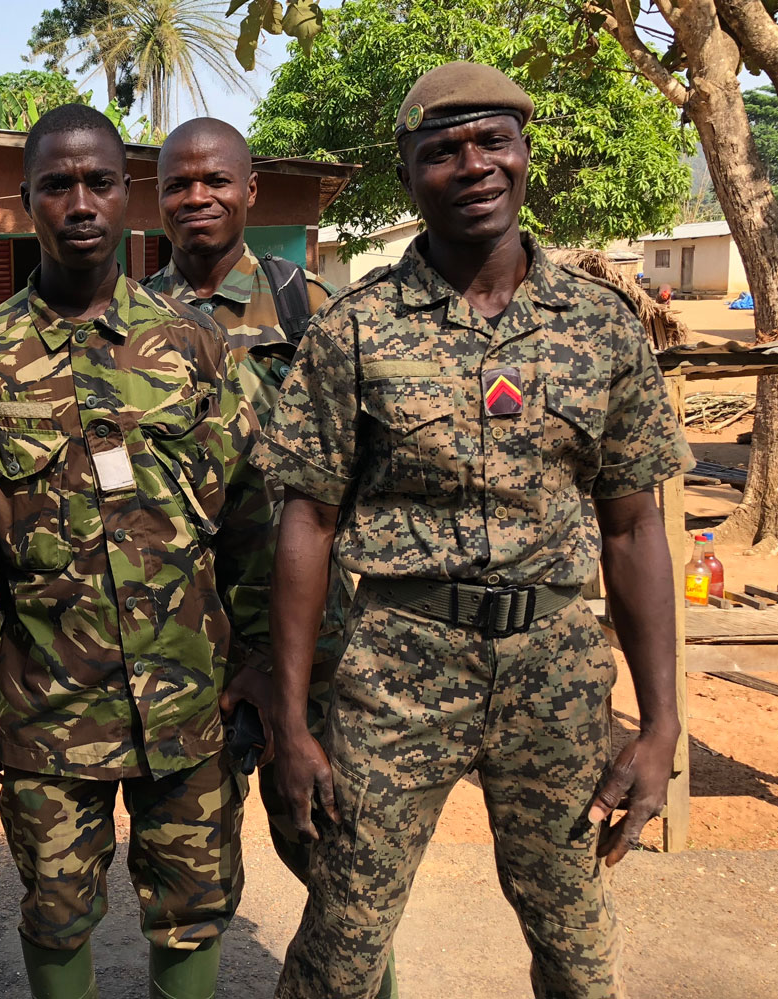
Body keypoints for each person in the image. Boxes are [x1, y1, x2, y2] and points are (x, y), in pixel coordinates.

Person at [255, 62, 691, 999]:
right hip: (399, 665)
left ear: (526, 154)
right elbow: (307, 524)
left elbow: (633, 530)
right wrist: (291, 724)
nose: (474, 165)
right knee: (342, 939)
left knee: (576, 941)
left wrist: (661, 725)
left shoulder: (603, 327)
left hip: (557, 666)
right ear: (409, 176)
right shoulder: (355, 330)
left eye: (493, 140)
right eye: (442, 151)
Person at [0, 103, 272, 999]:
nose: (80, 202)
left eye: (98, 182)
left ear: (127, 196)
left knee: (194, 900)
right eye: (57, 185)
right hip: (46, 702)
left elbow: (250, 518)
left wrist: (257, 661)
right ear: (27, 203)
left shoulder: (197, 343)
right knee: (55, 906)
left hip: (187, 693)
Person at [143, 117, 397, 999]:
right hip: (187, 653)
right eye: (179, 183)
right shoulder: (132, 323)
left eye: (217, 180)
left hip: (311, 649)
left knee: (342, 873)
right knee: (186, 887)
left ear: (250, 191)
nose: (198, 197)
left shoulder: (313, 310)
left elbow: (371, 470)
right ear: (160, 197)